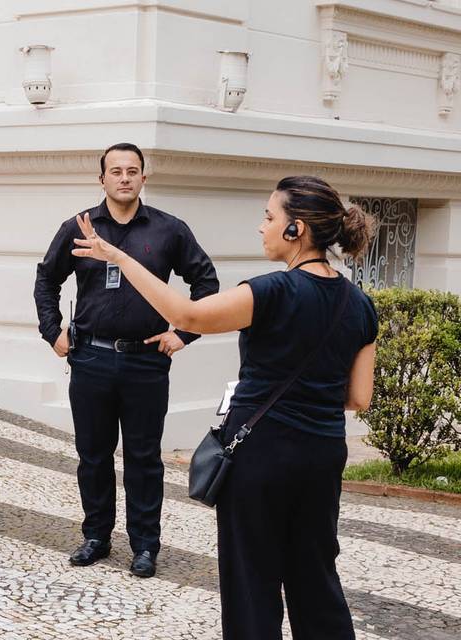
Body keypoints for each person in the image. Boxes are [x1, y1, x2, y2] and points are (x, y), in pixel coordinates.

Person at [71, 175, 377, 639]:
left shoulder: (272, 291)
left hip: (262, 454)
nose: (261, 227)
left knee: (252, 579)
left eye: (270, 217)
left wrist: (117, 256)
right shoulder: (360, 304)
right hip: (322, 454)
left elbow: (188, 316)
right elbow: (359, 397)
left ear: (296, 230)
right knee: (316, 577)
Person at [34, 142, 219, 577]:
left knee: (143, 458)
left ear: (143, 178)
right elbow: (46, 278)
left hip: (146, 363)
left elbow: (205, 282)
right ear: (102, 179)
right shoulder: (78, 228)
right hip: (91, 359)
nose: (123, 178)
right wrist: (52, 330)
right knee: (93, 455)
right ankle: (96, 536)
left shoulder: (169, 230)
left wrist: (184, 333)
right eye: (115, 171)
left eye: (132, 171)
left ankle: (144, 546)